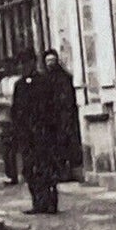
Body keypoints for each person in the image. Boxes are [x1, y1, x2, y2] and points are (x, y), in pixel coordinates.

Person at [12, 50, 60, 215]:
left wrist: (50, 129)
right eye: (21, 64)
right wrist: (19, 132)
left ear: (33, 62)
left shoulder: (44, 82)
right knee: (30, 169)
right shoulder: (19, 85)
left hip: (43, 133)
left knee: (46, 168)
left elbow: (52, 107)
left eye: (26, 63)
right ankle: (38, 202)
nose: (23, 67)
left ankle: (50, 201)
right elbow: (16, 111)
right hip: (27, 136)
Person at [43, 49, 84, 183]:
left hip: (64, 117)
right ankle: (57, 171)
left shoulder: (64, 78)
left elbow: (68, 98)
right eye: (48, 61)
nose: (50, 64)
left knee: (65, 144)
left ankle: (68, 171)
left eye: (52, 61)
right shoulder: (44, 79)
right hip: (50, 119)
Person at [0, 59, 22, 185]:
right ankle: (10, 174)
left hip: (16, 118)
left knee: (16, 147)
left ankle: (19, 173)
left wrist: (6, 100)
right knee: (6, 148)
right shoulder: (4, 82)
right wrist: (5, 100)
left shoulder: (18, 80)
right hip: (4, 118)